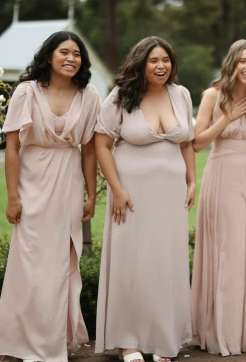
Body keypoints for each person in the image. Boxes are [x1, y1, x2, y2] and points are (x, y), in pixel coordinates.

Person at [0, 31, 101, 362]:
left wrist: (91, 195)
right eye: (63, 52)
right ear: (49, 56)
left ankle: (53, 344)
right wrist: (12, 196)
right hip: (31, 183)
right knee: (29, 265)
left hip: (68, 182)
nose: (70, 58)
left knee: (61, 264)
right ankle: (17, 342)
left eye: (77, 53)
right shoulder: (26, 91)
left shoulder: (89, 94)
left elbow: (90, 151)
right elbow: (12, 147)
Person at [94, 36, 196, 362]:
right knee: (132, 263)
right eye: (154, 60)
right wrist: (118, 190)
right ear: (140, 63)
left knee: (166, 262)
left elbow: (187, 143)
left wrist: (192, 180)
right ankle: (129, 341)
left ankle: (163, 339)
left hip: (171, 195)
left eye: (166, 59)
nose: (161, 66)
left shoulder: (180, 95)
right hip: (132, 195)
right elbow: (100, 145)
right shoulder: (122, 96)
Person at [191, 39, 246, 356]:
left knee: (245, 250)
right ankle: (218, 331)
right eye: (242, 61)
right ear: (232, 64)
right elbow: (197, 142)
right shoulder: (213, 95)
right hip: (221, 175)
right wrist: (227, 118)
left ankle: (242, 332)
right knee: (227, 250)